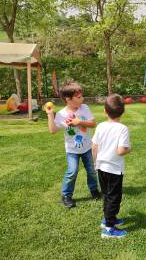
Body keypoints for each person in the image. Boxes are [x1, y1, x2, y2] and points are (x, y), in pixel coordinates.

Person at [46, 80, 101, 208]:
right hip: (72, 150)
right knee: (72, 171)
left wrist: (79, 122)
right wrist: (50, 115)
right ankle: (66, 195)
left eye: (81, 96)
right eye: (78, 97)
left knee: (92, 171)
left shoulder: (84, 108)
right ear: (68, 99)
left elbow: (93, 124)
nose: (82, 98)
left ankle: (94, 190)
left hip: (87, 147)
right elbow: (52, 130)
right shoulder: (61, 114)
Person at [92, 94, 131, 238]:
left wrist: (95, 163)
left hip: (101, 167)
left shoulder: (101, 126)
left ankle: (108, 219)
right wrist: (128, 149)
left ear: (104, 111)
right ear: (123, 111)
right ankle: (109, 229)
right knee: (114, 198)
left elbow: (94, 147)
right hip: (114, 170)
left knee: (107, 195)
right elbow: (121, 151)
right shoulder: (122, 128)